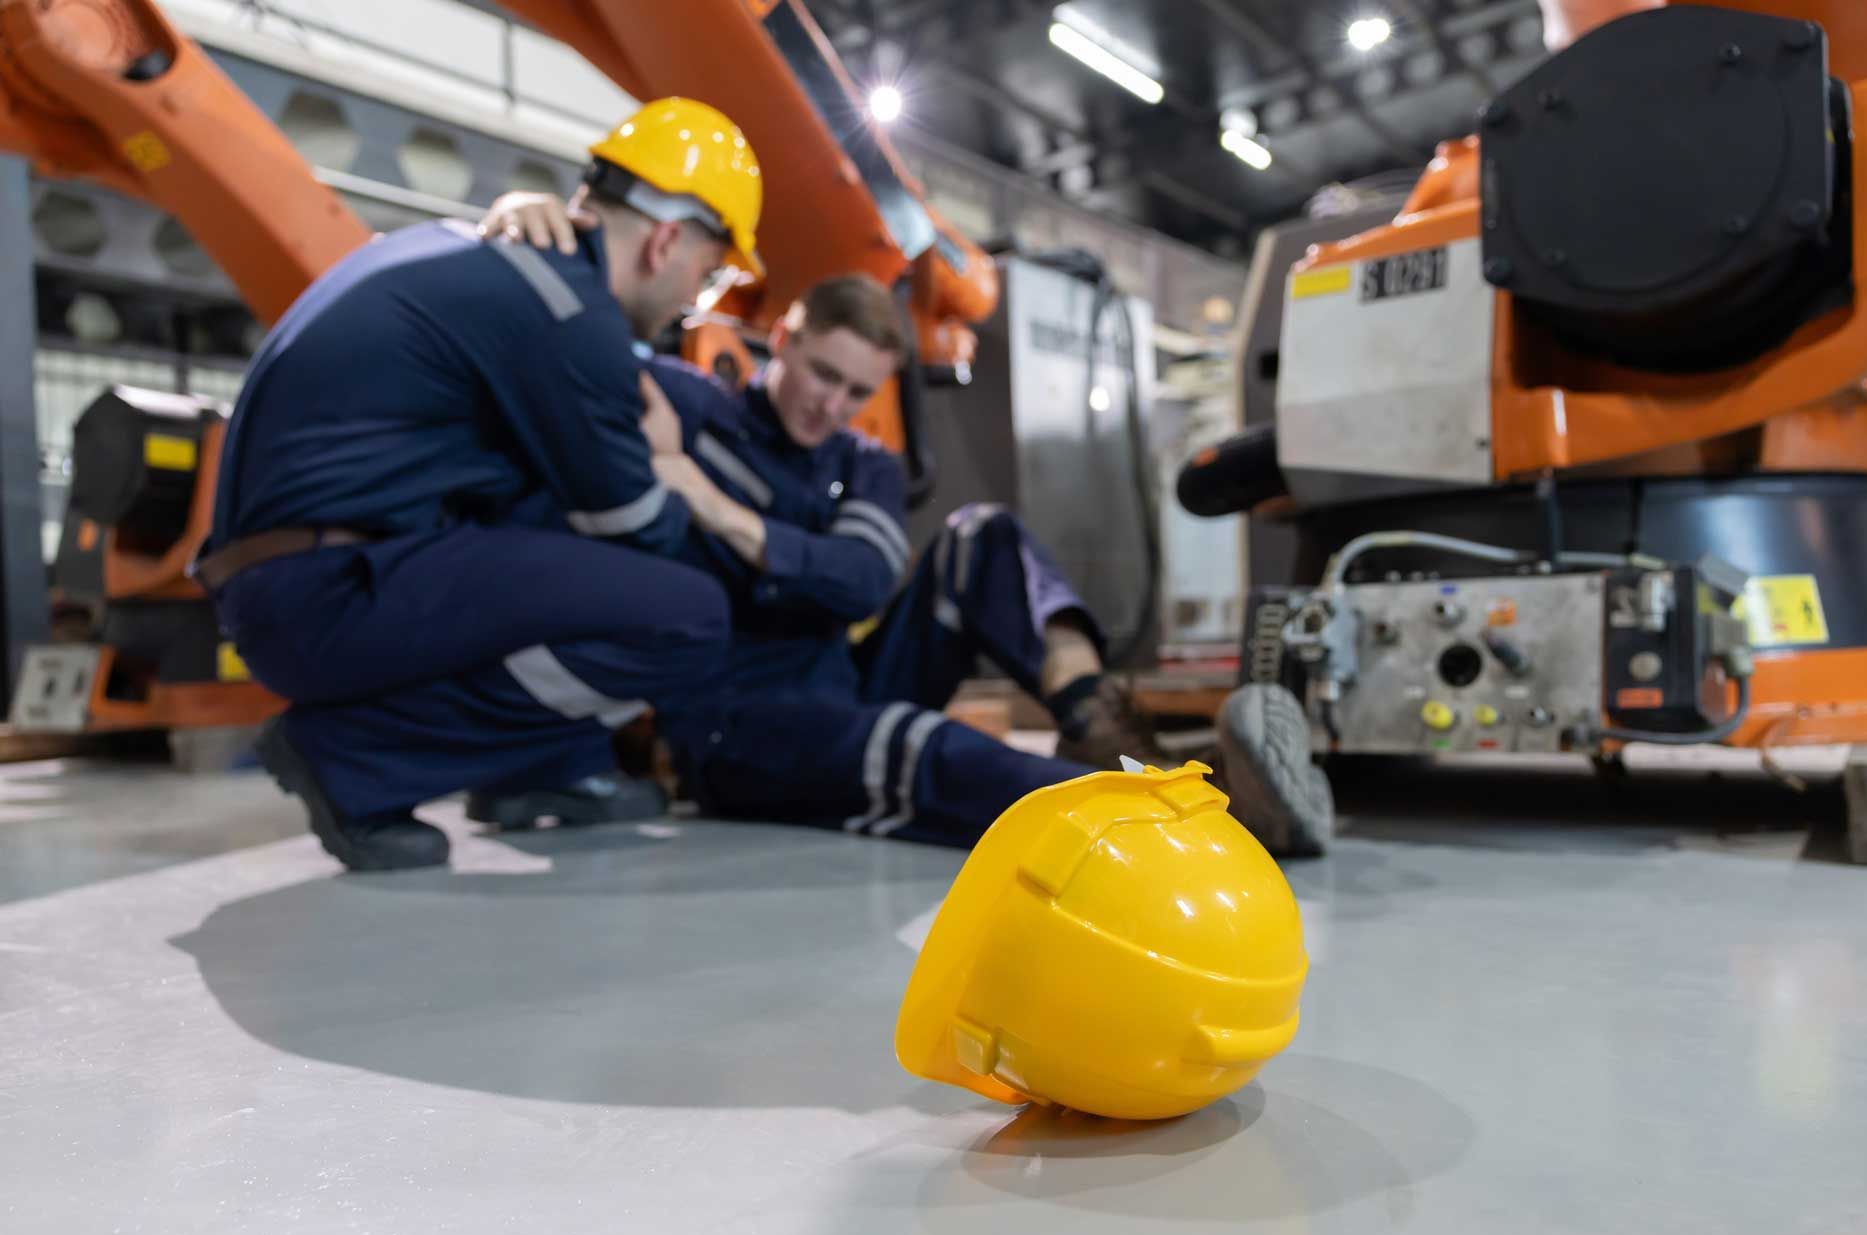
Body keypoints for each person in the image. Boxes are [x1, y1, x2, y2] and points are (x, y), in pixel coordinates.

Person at [498, 193, 1332, 852]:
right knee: (912, 744)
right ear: (783, 339)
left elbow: (861, 578)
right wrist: (536, 234)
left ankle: (1101, 730)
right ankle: (1170, 818)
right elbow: (585, 355)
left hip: (842, 682)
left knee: (982, 535)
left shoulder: (860, 462)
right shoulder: (700, 409)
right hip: (730, 720)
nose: (831, 404)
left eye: (856, 391)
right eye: (821, 373)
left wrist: (716, 508)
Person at [195, 98, 766, 872]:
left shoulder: (480, 255)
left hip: (286, 580)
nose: (691, 306)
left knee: (550, 516)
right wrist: (676, 472)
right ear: (667, 239)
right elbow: (637, 529)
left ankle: (540, 768)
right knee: (686, 614)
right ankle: (354, 757)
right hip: (321, 594)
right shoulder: (571, 311)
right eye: (709, 274)